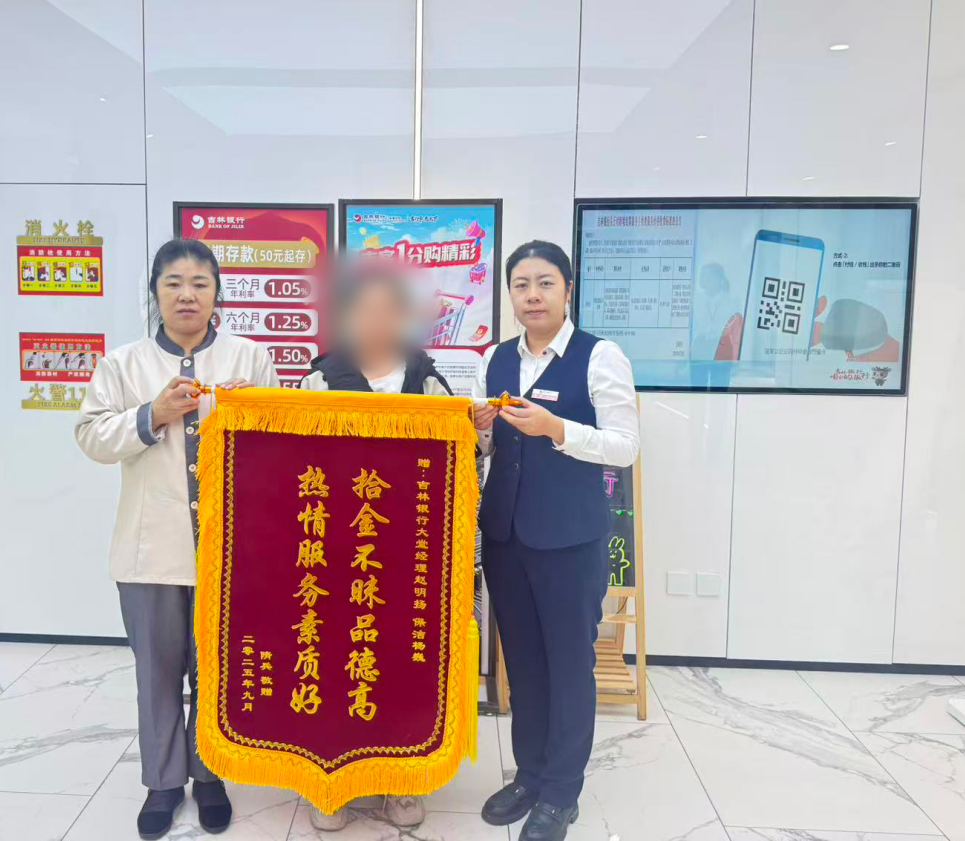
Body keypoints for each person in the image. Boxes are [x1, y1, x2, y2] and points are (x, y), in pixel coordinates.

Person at [76, 238, 279, 840]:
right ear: (156, 293)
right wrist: (152, 415)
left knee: (218, 671)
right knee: (157, 673)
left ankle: (210, 776)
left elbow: (280, 442)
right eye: (173, 283)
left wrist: (252, 415)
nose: (187, 294)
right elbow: (91, 436)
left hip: (231, 552)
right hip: (150, 553)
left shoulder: (249, 359)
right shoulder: (124, 364)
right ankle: (163, 785)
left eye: (199, 283)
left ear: (217, 294)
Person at [472, 240, 639, 841]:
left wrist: (557, 428)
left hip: (569, 538)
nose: (533, 295)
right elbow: (490, 449)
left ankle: (562, 794)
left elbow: (625, 446)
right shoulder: (495, 358)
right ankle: (530, 775)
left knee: (568, 665)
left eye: (545, 283)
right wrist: (481, 431)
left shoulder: (599, 356)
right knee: (522, 662)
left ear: (568, 290)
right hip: (507, 536)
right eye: (521, 285)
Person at [299, 264, 450, 830]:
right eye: (364, 309)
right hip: (338, 551)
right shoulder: (321, 378)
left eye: (389, 309)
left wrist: (480, 429)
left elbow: (460, 458)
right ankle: (332, 783)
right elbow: (295, 459)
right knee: (336, 663)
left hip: (407, 554)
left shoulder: (425, 378)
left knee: (399, 667)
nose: (376, 319)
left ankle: (399, 781)